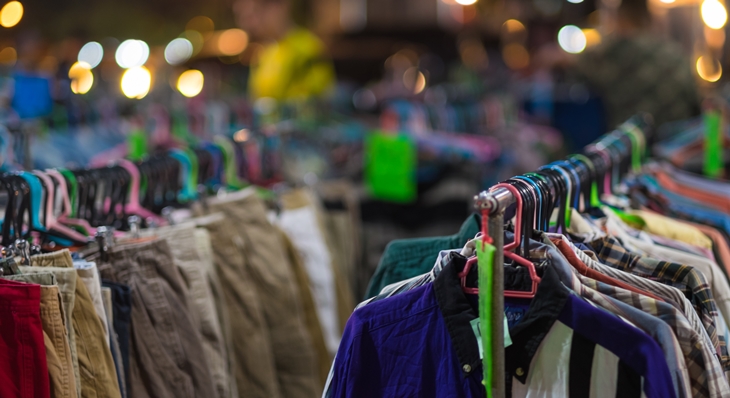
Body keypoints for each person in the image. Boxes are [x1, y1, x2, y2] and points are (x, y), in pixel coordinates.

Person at [543, 0, 700, 129]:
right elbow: (696, 106)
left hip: (634, 148)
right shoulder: (675, 53)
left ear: (618, 17)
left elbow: (556, 59)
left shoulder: (613, 52)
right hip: (679, 148)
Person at [233, 0, 335, 102]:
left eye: (256, 12)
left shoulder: (309, 48)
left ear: (279, 6)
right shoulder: (262, 53)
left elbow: (317, 104)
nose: (250, 24)